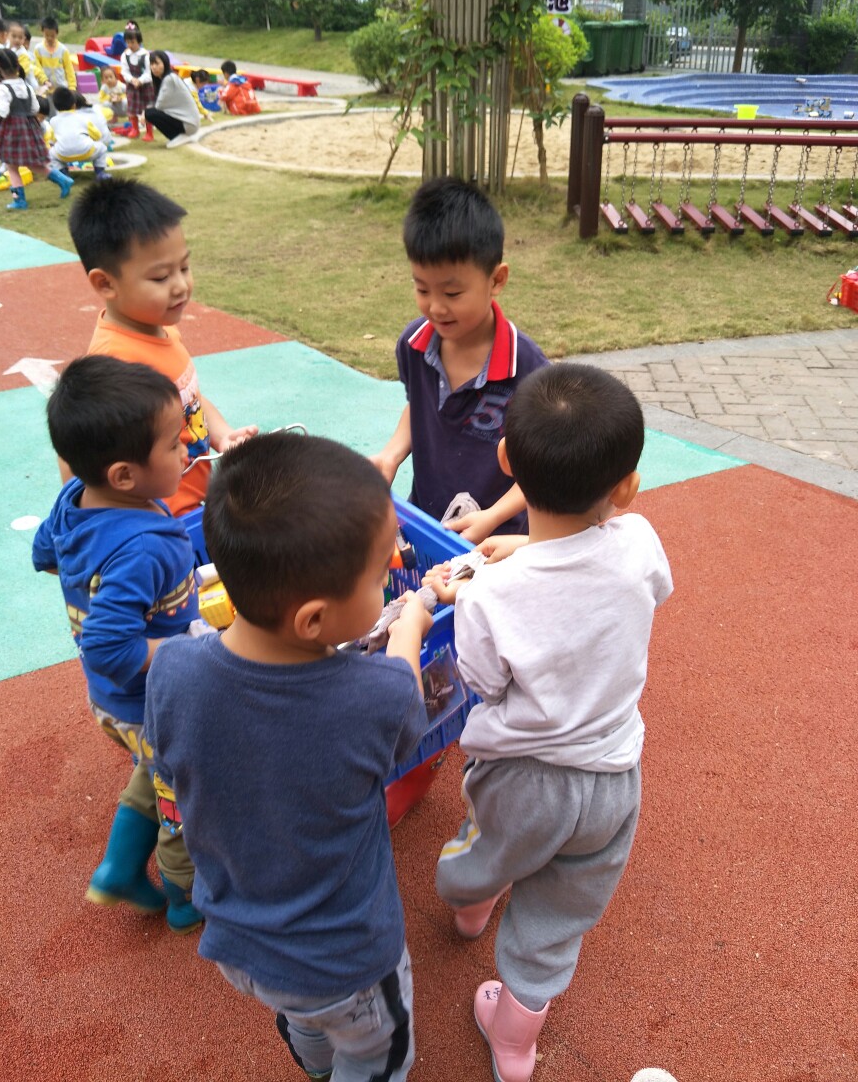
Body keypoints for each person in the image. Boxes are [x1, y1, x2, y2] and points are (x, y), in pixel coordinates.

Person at [144, 431, 433, 1082]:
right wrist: (409, 630)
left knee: (305, 1020)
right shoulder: (378, 694)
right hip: (348, 963)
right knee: (378, 1054)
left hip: (240, 947)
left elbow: (171, 757)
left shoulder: (174, 671)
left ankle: (315, 1061)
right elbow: (406, 724)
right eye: (379, 577)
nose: (388, 580)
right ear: (312, 620)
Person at [423, 362, 673, 1082]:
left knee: (489, 850)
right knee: (561, 912)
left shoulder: (488, 597)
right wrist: (534, 550)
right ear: (626, 487)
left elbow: (483, 684)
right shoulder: (640, 541)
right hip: (613, 778)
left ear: (507, 461)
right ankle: (514, 1042)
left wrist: (484, 580)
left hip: (524, 779)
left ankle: (470, 903)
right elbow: (613, 569)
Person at [31, 355, 203, 933]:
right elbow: (109, 649)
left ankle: (121, 868)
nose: (187, 446)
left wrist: (93, 583)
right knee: (182, 795)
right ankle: (184, 896)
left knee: (153, 771)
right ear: (126, 475)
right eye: (173, 443)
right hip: (149, 699)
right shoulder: (145, 547)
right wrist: (178, 649)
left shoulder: (75, 499)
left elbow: (46, 555)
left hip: (113, 703)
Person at [371, 177, 549, 543]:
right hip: (427, 522)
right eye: (422, 288)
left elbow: (544, 470)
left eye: (452, 293)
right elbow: (420, 408)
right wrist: (391, 454)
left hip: (496, 541)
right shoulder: (413, 345)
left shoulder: (529, 371)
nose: (436, 307)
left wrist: (492, 517)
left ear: (496, 280)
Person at [67, 178, 258, 515]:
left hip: (195, 500)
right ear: (105, 283)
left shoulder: (161, 328)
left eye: (184, 267)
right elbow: (81, 464)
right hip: (163, 516)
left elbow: (189, 398)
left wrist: (222, 434)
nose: (181, 285)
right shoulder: (116, 366)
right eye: (160, 278)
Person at [0, 46, 73, 210]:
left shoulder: (3, 88)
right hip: (28, 128)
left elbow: (3, 111)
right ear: (17, 65)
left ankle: (20, 200)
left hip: (11, 131)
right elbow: (34, 108)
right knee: (31, 163)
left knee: (11, 165)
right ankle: (62, 180)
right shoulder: (26, 86)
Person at [48, 86, 112, 180]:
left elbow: (52, 139)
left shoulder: (53, 121)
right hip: (86, 151)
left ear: (55, 106)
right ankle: (100, 173)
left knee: (51, 154)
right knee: (102, 148)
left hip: (63, 154)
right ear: (74, 105)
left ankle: (64, 174)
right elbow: (97, 135)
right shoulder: (83, 118)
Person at [145, 50, 201, 148]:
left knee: (149, 113)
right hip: (187, 121)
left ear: (165, 63)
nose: (154, 67)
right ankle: (178, 136)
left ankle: (177, 137)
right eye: (152, 64)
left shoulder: (169, 79)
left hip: (188, 123)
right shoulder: (166, 78)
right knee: (150, 111)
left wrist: (144, 114)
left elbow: (160, 105)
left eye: (157, 64)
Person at [119, 26, 154, 140]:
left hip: (146, 86)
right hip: (132, 86)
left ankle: (149, 132)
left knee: (148, 108)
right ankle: (135, 129)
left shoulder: (145, 55)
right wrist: (131, 80)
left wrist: (140, 80)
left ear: (138, 41)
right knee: (132, 108)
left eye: (132, 42)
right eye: (128, 42)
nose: (130, 45)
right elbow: (124, 71)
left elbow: (149, 72)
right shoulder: (125, 55)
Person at [33, 15, 76, 96]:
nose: (49, 38)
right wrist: (44, 80)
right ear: (42, 32)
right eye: (47, 35)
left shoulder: (63, 50)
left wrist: (72, 87)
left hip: (61, 90)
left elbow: (69, 70)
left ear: (57, 33)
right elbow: (37, 68)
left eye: (52, 36)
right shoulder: (38, 49)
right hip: (45, 90)